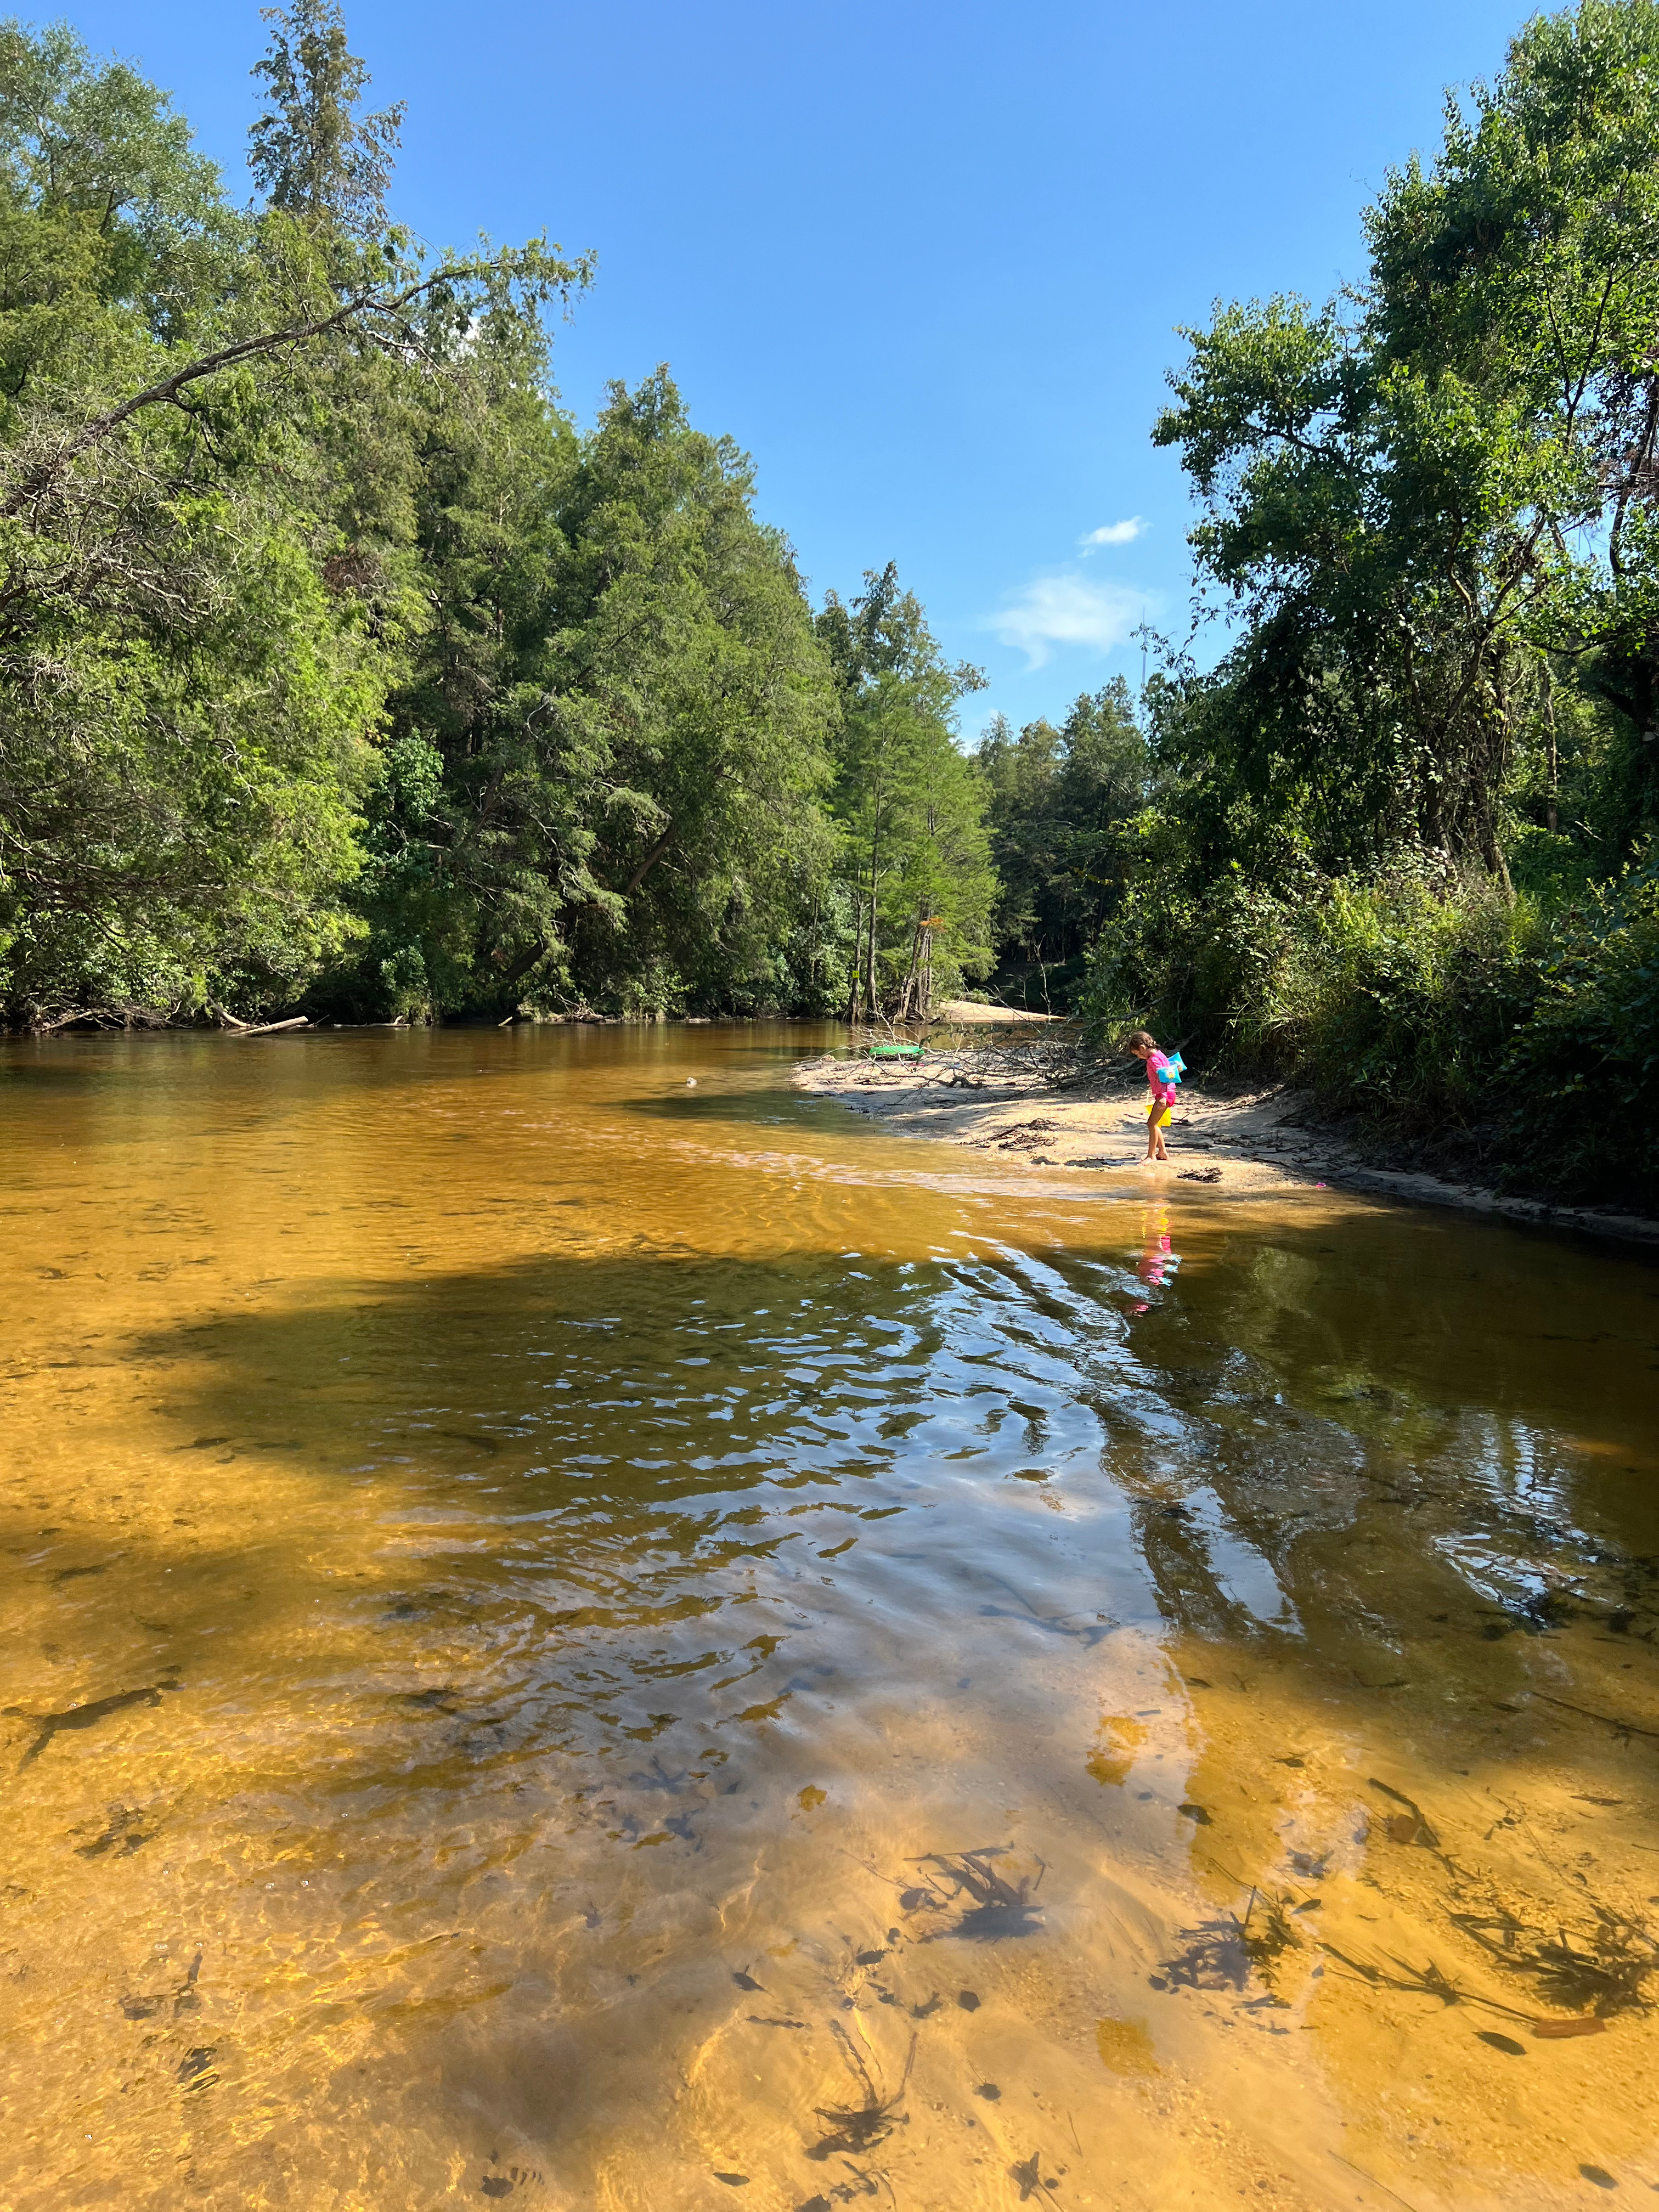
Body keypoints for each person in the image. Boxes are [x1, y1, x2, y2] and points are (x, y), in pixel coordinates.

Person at [1126, 1029, 1177, 1164]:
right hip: (1168, 1093)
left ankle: (1151, 1155)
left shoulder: (1153, 1061)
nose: (1139, 1057)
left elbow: (1165, 1078)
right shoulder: (1160, 1055)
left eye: (1138, 1054)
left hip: (1165, 1095)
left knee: (1151, 1124)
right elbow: (1163, 1075)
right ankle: (1163, 1152)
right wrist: (1154, 1084)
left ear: (1142, 1048)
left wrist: (1163, 1096)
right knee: (1155, 1124)